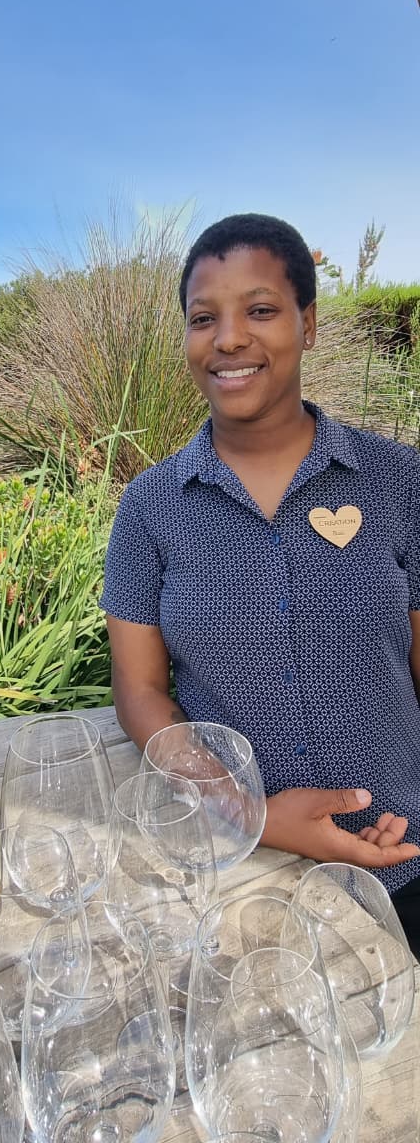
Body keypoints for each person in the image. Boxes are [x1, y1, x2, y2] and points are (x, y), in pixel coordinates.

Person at [99, 212, 420, 955]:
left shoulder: (399, 482)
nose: (229, 338)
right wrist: (249, 812)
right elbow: (139, 690)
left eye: (262, 310)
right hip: (238, 871)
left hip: (403, 846)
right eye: (203, 318)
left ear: (308, 323)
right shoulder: (150, 507)